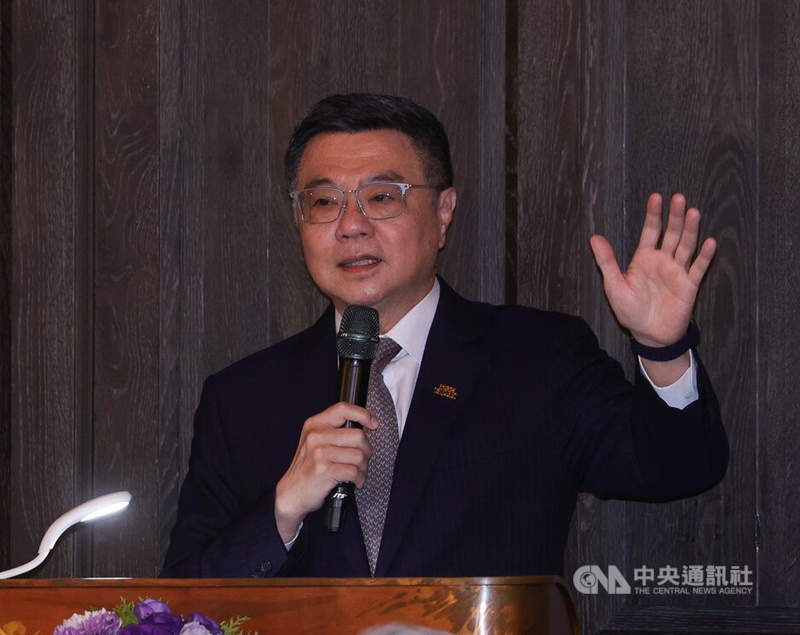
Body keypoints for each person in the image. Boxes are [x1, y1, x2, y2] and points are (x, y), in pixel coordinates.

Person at [162, 93, 727, 579]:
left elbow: (675, 468)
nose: (351, 224)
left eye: (382, 197)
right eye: (324, 201)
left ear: (444, 213)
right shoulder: (242, 398)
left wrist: (663, 348)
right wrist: (285, 507)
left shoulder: (536, 357)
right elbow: (180, 604)